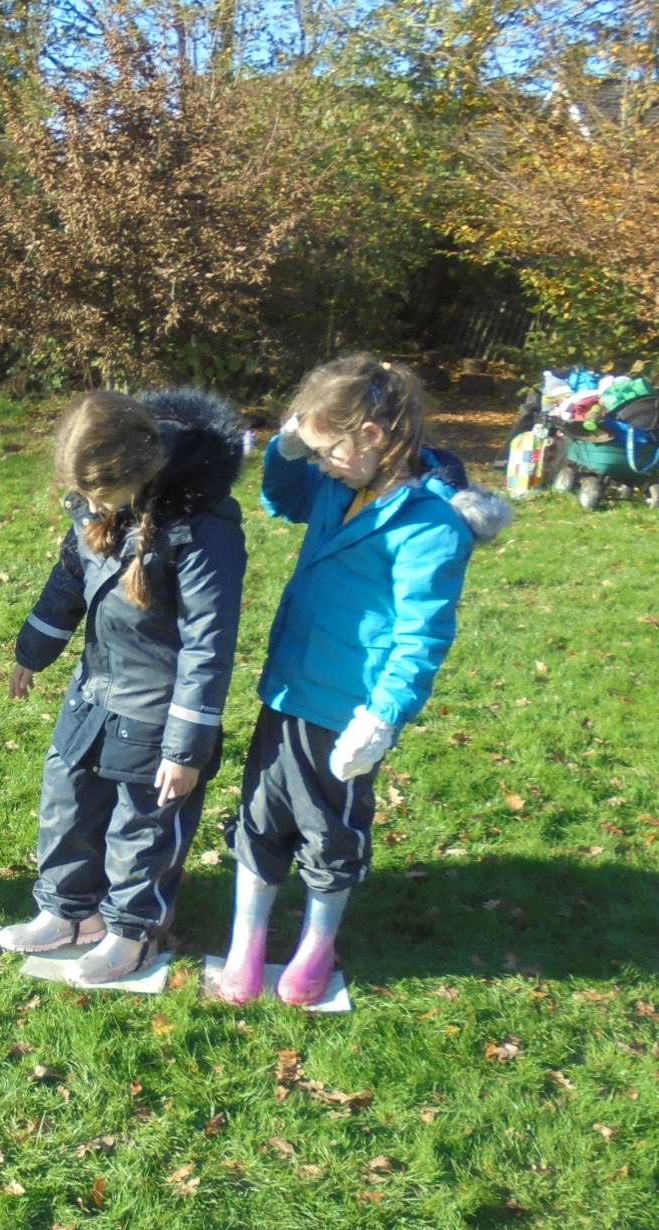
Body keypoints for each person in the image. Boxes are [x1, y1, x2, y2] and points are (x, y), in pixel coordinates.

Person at [214, 356, 512, 1006]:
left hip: (348, 710)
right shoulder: (335, 484)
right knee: (261, 813)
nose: (321, 464)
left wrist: (382, 717)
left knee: (330, 831)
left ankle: (315, 947)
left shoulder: (431, 526)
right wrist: (289, 451)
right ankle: (246, 943)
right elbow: (281, 500)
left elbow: (421, 635)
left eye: (327, 450)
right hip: (288, 687)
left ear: (372, 438)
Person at [3, 389, 247, 983]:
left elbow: (208, 644)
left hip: (158, 709)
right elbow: (70, 579)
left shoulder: (204, 526)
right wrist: (33, 651)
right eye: (82, 494)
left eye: (97, 493)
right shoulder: (101, 506)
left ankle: (130, 933)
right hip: (93, 692)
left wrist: (185, 750)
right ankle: (66, 910)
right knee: (66, 800)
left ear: (137, 468)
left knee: (142, 826)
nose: (89, 506)